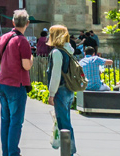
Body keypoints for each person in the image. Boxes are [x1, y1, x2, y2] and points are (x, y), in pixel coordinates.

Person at [0, 10, 34, 156]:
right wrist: (32, 59)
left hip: (3, 82)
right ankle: (13, 153)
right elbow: (26, 66)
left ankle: (6, 152)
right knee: (16, 121)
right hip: (17, 85)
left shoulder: (4, 37)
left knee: (5, 120)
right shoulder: (22, 41)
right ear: (27, 23)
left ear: (13, 22)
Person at [45, 26, 80, 156]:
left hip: (61, 91)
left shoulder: (57, 52)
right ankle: (69, 151)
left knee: (63, 124)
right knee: (66, 122)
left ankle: (69, 152)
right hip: (69, 90)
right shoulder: (68, 50)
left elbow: (55, 75)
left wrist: (51, 94)